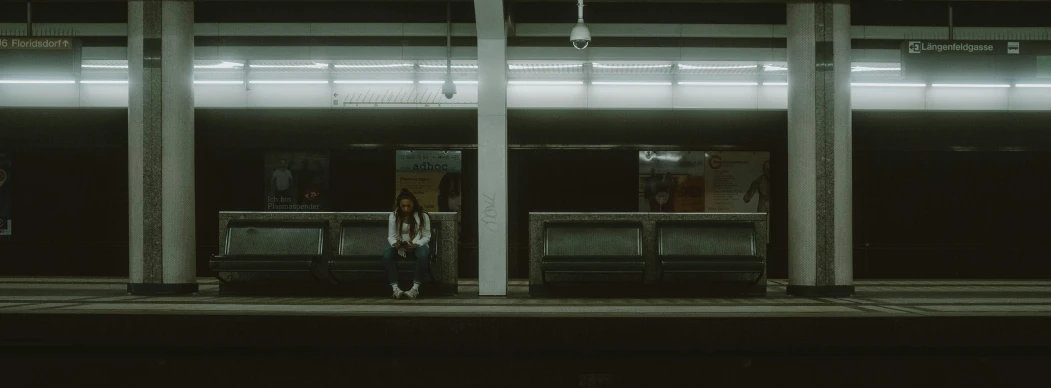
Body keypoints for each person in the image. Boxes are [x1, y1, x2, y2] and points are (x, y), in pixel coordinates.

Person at [384, 189, 432, 300]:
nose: (406, 209)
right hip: (401, 247)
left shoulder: (423, 216)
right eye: (403, 206)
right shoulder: (394, 216)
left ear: (414, 204)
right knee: (386, 255)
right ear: (399, 205)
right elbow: (391, 236)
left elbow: (427, 236)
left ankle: (415, 288)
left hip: (417, 245)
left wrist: (416, 244)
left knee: (423, 254)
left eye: (409, 206)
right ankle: (395, 288)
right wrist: (394, 243)